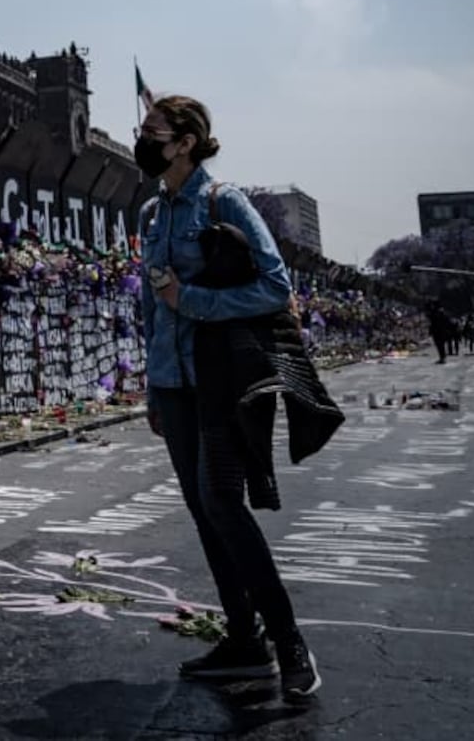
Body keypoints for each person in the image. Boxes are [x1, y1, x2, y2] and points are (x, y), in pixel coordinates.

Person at [138, 94, 327, 703]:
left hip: (221, 380)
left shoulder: (225, 203)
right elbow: (150, 307)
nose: (145, 140)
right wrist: (151, 382)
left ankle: (288, 639)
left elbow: (275, 287)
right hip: (174, 384)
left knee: (223, 502)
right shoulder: (151, 214)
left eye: (154, 131)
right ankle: (242, 636)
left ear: (186, 141)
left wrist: (190, 303)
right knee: (201, 509)